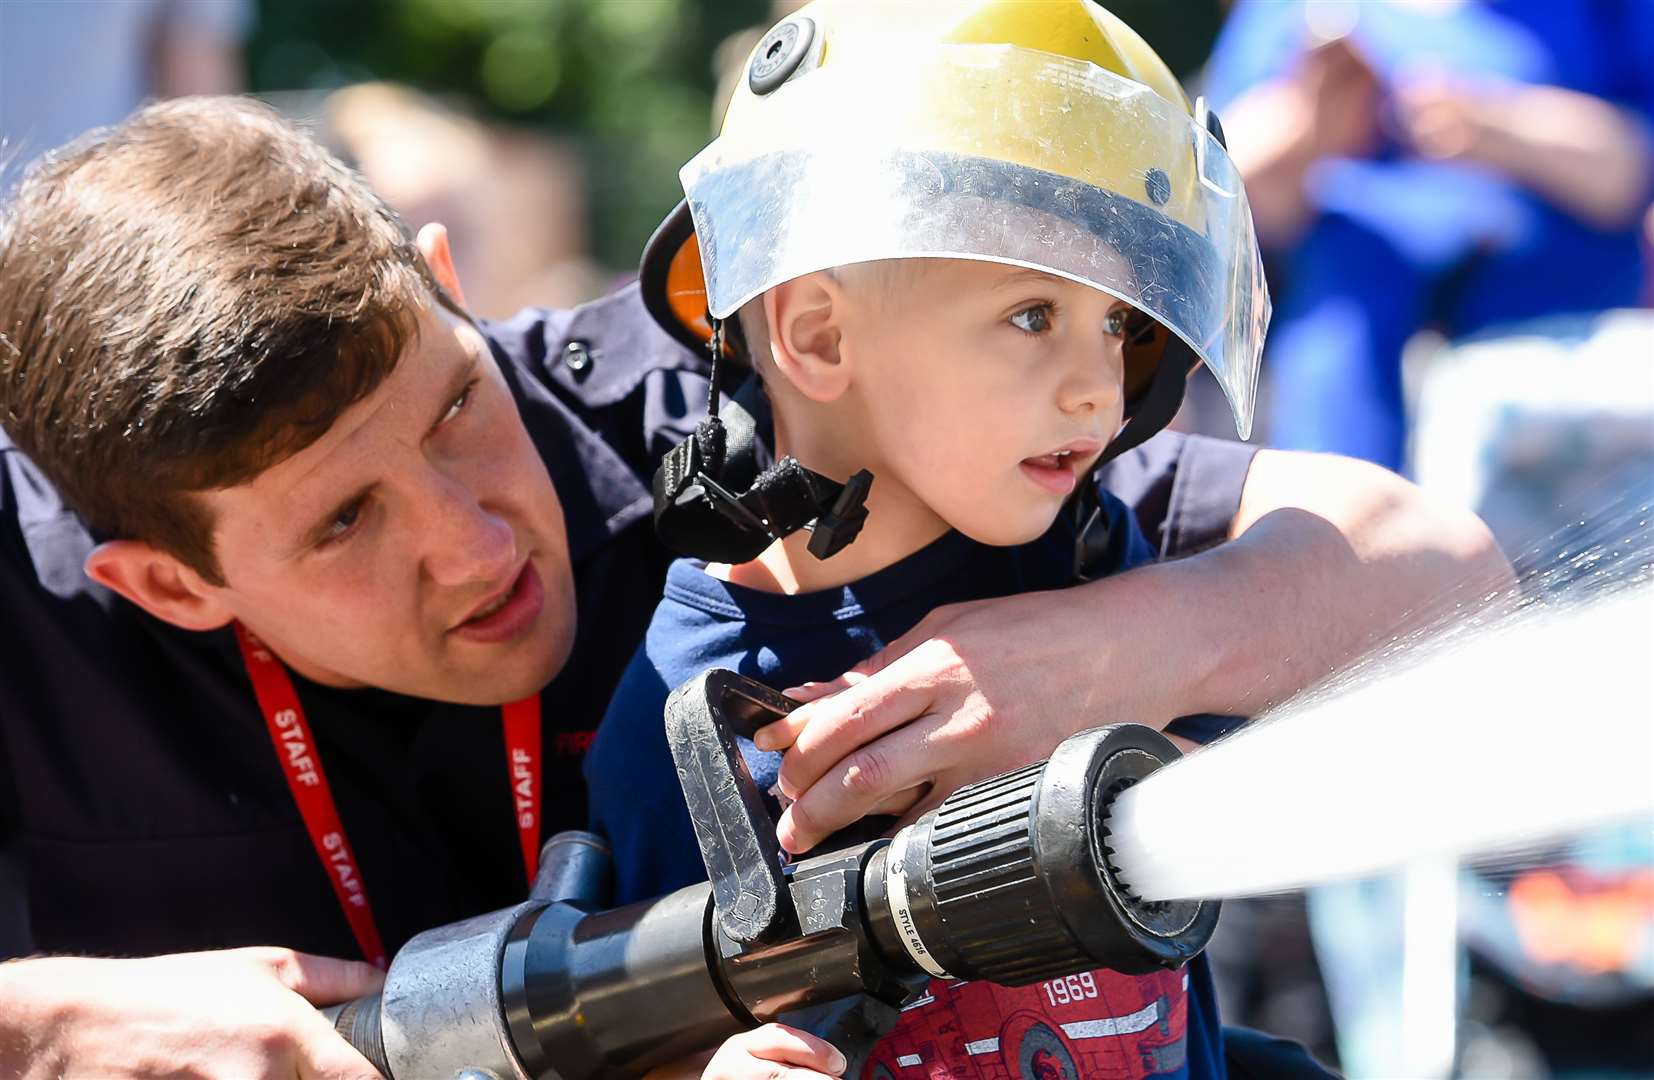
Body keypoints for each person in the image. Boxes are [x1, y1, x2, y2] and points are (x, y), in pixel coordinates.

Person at [0, 94, 1507, 1080]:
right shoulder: (29, 621)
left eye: (455, 405)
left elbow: (1441, 573)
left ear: (453, 286)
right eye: (342, 525)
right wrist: (52, 1025)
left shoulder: (742, 410)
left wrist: (1108, 646)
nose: (473, 541)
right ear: (167, 584)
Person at [586, 2, 1435, 1076]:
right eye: (1033, 314)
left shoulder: (1089, 565)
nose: (1097, 386)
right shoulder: (685, 710)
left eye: (1121, 321)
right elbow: (637, 1027)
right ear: (818, 334)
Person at [1205, 0, 1654, 471]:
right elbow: (1216, 193)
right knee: (1347, 289)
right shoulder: (1284, 13)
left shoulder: (1599, 12)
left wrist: (1491, 125)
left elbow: (1630, 180)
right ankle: (1338, 523)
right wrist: (1310, 123)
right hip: (1347, 336)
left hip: (1552, 329)